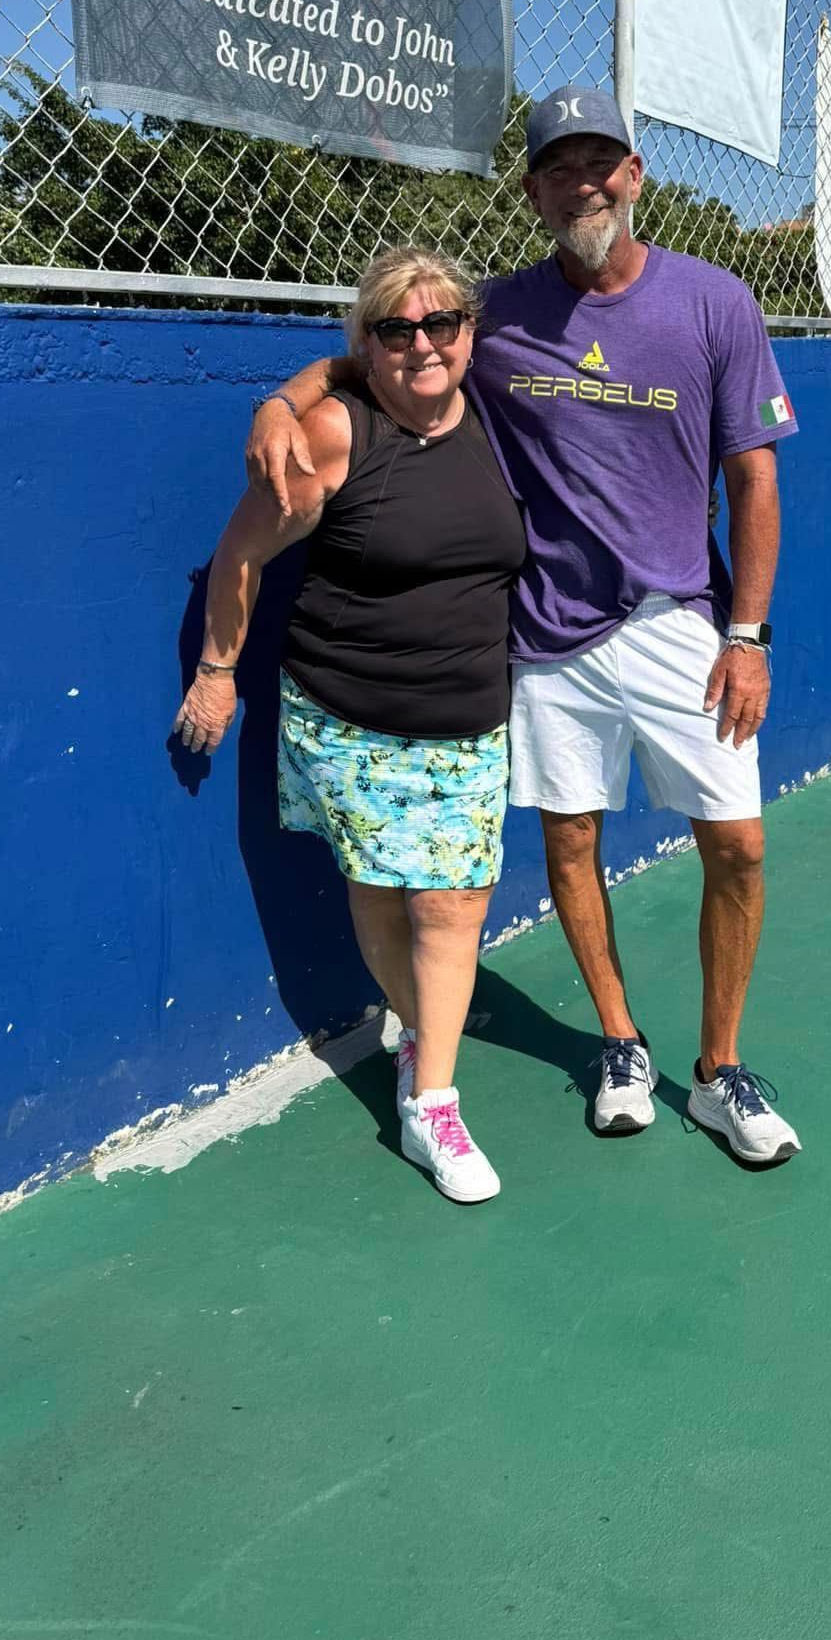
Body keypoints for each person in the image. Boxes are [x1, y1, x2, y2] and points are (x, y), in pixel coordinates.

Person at [248, 88, 802, 1166]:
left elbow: (755, 478)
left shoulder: (717, 301)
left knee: (738, 844)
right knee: (571, 840)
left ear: (634, 176)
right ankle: (620, 1043)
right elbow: (370, 358)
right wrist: (281, 399)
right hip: (548, 629)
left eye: (600, 164)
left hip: (683, 623)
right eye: (558, 168)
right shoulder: (490, 313)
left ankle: (719, 1069)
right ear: (534, 190)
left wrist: (748, 636)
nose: (582, 184)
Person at [173, 247, 526, 1204]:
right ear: (366, 345)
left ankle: (431, 1097)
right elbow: (240, 554)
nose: (423, 345)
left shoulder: (499, 412)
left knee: (453, 902)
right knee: (378, 889)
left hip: (469, 720)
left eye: (441, 323)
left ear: (469, 333)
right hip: (348, 716)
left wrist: (281, 392)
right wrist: (216, 673)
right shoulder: (336, 430)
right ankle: (425, 1055)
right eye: (395, 329)